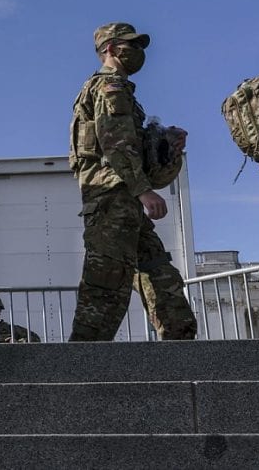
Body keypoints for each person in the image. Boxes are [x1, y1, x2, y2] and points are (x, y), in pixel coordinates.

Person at [67, 22, 197, 341]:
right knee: (106, 286)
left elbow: (140, 158)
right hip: (112, 199)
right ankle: (81, 367)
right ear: (110, 48)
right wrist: (143, 191)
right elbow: (115, 143)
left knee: (161, 277)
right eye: (130, 45)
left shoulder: (125, 94)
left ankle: (182, 346)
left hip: (126, 203)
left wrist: (167, 148)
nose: (137, 52)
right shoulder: (109, 86)